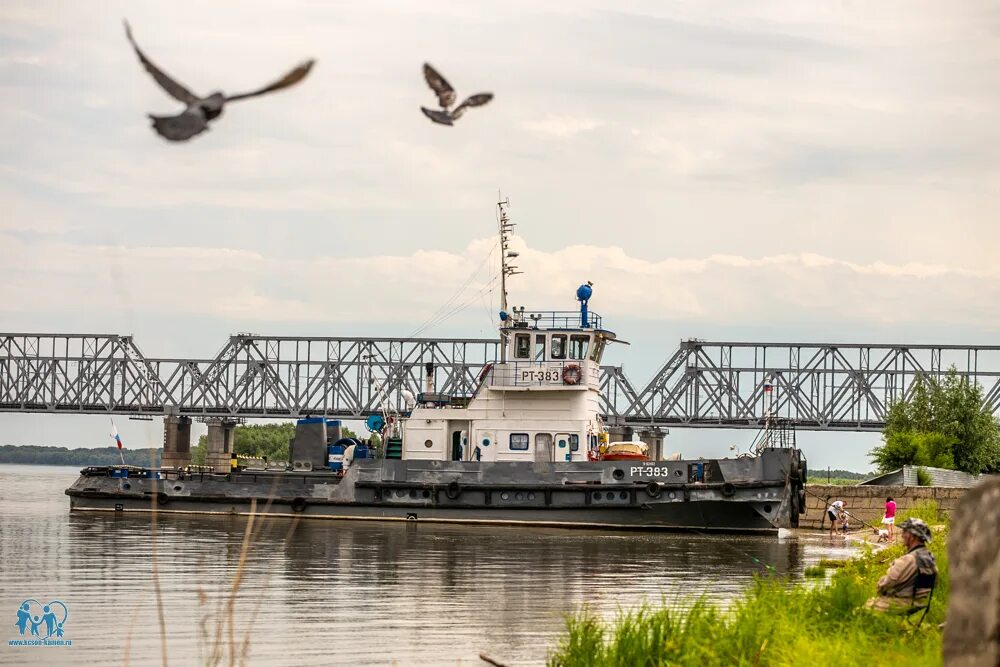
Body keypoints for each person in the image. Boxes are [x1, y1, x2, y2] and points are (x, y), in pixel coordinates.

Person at [865, 518, 937, 612]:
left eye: (905, 532)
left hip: (904, 603)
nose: (902, 535)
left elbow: (886, 584)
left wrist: (881, 585)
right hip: (921, 601)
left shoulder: (909, 559)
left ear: (912, 536)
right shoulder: (929, 557)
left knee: (865, 607)